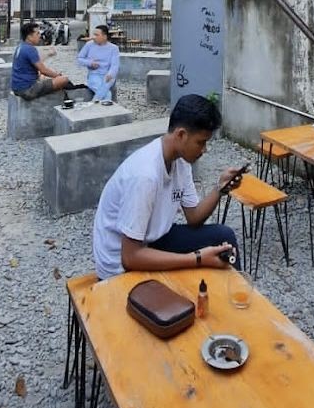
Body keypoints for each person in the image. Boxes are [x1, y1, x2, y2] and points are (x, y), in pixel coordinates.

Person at [93, 94, 242, 280]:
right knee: (183, 295)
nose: (204, 150)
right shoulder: (145, 175)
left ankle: (235, 297)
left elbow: (194, 217)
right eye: (201, 142)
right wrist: (196, 259)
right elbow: (129, 257)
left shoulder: (181, 162)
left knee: (223, 236)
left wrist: (220, 188)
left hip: (152, 241)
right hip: (120, 267)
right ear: (181, 135)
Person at [10, 21, 72, 100]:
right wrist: (58, 76)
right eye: (37, 34)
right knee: (64, 80)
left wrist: (48, 55)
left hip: (17, 87)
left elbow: (37, 62)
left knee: (44, 77)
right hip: (28, 89)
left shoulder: (21, 46)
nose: (40, 36)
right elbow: (43, 70)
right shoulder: (30, 49)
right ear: (29, 36)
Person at [77, 24, 119, 102]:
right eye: (94, 34)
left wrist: (110, 74)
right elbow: (79, 59)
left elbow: (115, 65)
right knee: (107, 94)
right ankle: (100, 109)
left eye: (96, 35)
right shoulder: (89, 45)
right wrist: (90, 63)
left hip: (108, 75)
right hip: (94, 74)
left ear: (104, 36)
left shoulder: (114, 48)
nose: (94, 37)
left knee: (106, 88)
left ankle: (93, 105)